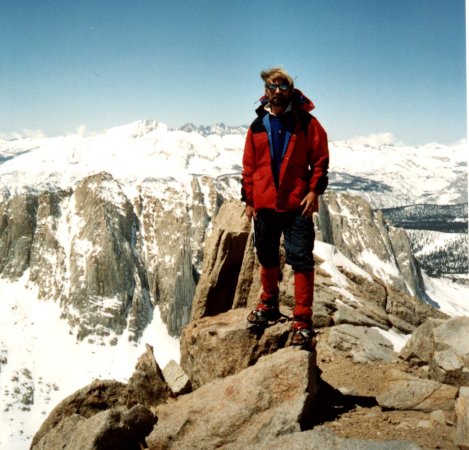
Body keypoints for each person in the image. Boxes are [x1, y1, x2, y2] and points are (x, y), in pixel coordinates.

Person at [241, 67, 329, 346]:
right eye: (271, 86)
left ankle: (302, 320)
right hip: (266, 204)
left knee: (301, 259)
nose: (276, 91)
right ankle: (268, 304)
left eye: (282, 86)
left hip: (296, 204)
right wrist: (250, 200)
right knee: (266, 256)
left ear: (290, 89)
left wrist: (315, 191)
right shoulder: (257, 126)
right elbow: (249, 166)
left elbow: (321, 158)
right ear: (265, 91)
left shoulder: (306, 123)